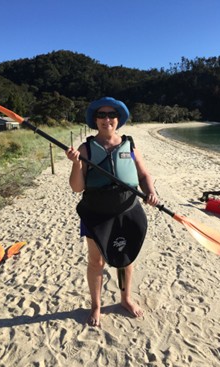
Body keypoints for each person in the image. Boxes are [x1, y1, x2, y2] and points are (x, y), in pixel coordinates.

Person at [66, 97, 158, 327]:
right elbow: (77, 188)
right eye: (102, 115)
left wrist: (151, 192)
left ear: (118, 119)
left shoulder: (129, 144)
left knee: (127, 258)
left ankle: (125, 298)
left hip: (127, 209)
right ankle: (96, 306)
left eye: (111, 115)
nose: (107, 119)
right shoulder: (85, 149)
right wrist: (76, 163)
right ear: (95, 120)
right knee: (96, 261)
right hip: (96, 212)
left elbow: (144, 175)